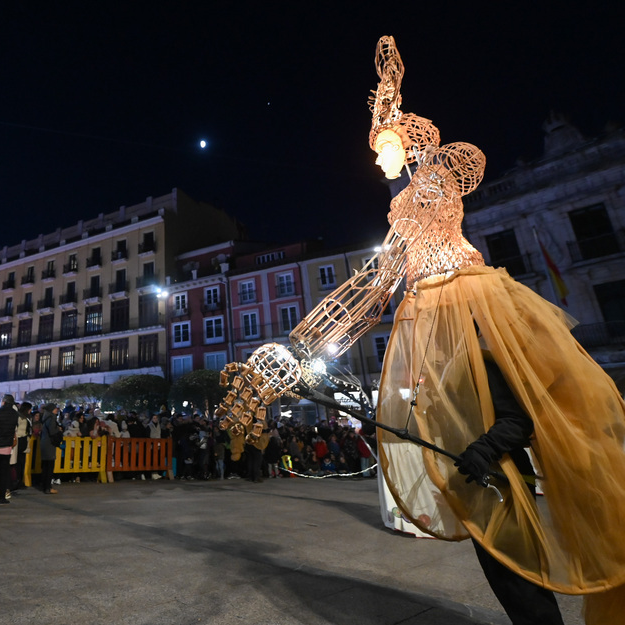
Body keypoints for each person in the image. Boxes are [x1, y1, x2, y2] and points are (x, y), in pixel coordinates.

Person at [218, 36, 625, 625]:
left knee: (501, 486)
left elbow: (379, 280)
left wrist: (293, 349)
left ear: (408, 144)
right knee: (492, 521)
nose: (377, 161)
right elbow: (379, 283)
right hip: (440, 305)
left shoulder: (429, 188)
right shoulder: (407, 200)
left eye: (382, 148)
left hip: (461, 298)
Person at [37, 403, 61, 494]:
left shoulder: (45, 417)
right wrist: (58, 430)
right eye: (55, 408)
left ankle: (44, 486)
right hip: (49, 444)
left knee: (45, 466)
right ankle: (48, 487)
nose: (56, 410)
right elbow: (52, 431)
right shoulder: (52, 418)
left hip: (44, 443)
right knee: (50, 466)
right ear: (52, 409)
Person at [12, 401, 32, 491]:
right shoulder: (20, 417)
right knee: (18, 462)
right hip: (20, 439)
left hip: (23, 439)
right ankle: (17, 481)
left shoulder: (24, 417)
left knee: (21, 462)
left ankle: (19, 481)